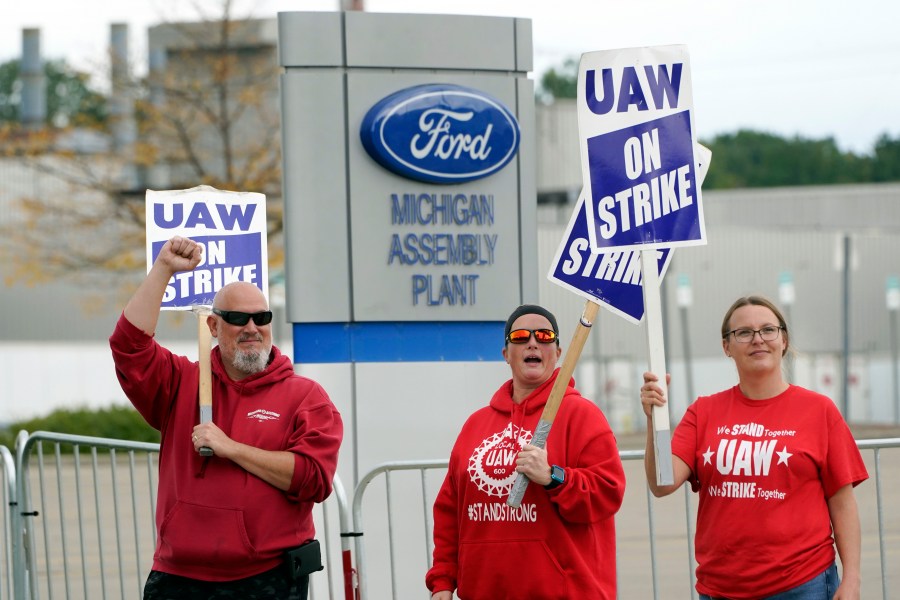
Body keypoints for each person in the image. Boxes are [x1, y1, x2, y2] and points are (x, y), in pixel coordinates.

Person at [109, 236, 343, 600]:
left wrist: (232, 448)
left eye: (261, 317)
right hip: (178, 576)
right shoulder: (181, 381)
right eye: (237, 318)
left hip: (267, 577)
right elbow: (129, 347)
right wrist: (164, 269)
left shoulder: (306, 396)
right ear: (214, 327)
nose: (252, 327)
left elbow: (314, 478)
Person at [640, 295, 868, 600]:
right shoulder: (703, 412)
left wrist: (851, 578)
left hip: (802, 584)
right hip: (721, 588)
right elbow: (661, 483)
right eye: (744, 332)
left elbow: (842, 503)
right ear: (727, 347)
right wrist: (654, 422)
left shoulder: (819, 411)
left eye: (768, 330)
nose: (757, 339)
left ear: (783, 340)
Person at [426, 304, 626, 600]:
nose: (533, 342)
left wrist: (553, 477)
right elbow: (450, 509)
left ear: (558, 353)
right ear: (506, 354)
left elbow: (608, 492)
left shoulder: (582, 415)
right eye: (520, 336)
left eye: (544, 336)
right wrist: (443, 580)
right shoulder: (476, 424)